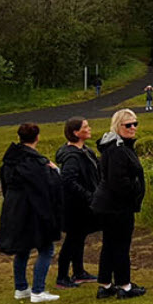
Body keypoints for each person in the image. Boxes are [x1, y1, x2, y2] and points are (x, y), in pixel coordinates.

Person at [0, 122, 64, 303]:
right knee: (46, 248)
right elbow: (50, 186)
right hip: (34, 209)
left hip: (14, 208)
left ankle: (21, 288)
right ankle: (38, 290)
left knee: (22, 248)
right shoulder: (36, 163)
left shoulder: (10, 160)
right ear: (37, 137)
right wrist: (55, 171)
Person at [91, 109, 147, 300]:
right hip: (116, 205)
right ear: (118, 126)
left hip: (110, 204)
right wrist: (133, 191)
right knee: (120, 244)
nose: (133, 128)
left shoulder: (117, 146)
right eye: (128, 125)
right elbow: (117, 181)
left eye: (135, 124)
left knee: (110, 243)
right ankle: (124, 285)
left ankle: (106, 284)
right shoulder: (117, 149)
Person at [55, 117, 100, 289]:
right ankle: (62, 276)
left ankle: (79, 272)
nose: (89, 129)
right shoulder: (72, 157)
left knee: (79, 238)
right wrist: (88, 196)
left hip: (83, 205)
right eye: (85, 127)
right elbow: (68, 181)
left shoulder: (85, 151)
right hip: (75, 207)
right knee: (72, 240)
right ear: (76, 132)